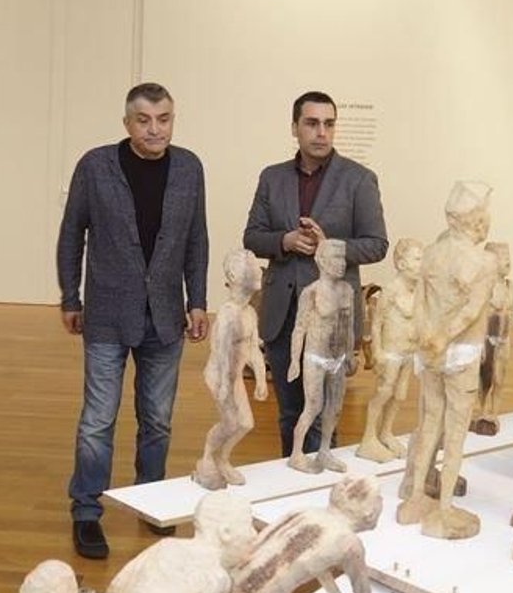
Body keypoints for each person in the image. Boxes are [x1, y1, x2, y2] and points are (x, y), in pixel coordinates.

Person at [57, 82, 209, 559]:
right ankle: (86, 510)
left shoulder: (188, 168)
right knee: (98, 420)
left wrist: (198, 299)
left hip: (164, 315)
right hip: (106, 311)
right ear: (127, 124)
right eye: (144, 120)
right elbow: (71, 233)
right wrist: (69, 296)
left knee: (158, 420)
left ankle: (152, 500)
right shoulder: (96, 165)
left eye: (163, 118)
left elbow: (196, 239)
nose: (154, 129)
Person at [243, 91, 388, 455]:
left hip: (332, 316)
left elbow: (377, 244)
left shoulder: (359, 179)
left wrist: (329, 247)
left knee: (322, 416)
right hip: (282, 314)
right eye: (312, 123)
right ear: (295, 128)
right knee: (289, 413)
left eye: (329, 123)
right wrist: (286, 240)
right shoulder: (272, 178)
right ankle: (291, 493)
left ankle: (321, 498)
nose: (321, 132)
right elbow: (252, 236)